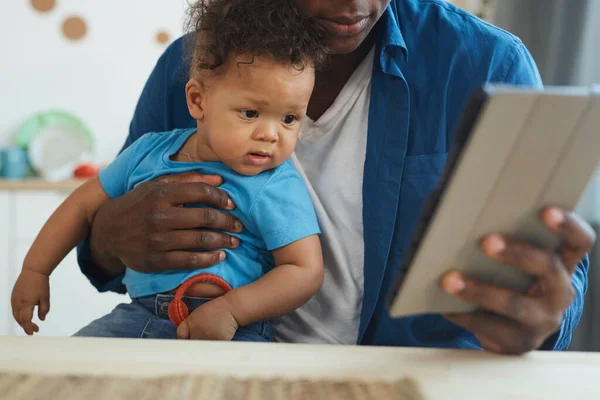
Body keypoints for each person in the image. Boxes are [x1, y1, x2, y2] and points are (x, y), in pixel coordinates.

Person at [78, 0, 595, 354]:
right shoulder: (192, 67)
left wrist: (543, 316)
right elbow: (109, 250)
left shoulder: (486, 61)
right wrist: (104, 237)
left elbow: (550, 273)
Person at [11, 0, 328, 342]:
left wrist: (232, 310)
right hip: (138, 316)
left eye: (289, 119)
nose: (270, 134)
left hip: (231, 328)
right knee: (66, 373)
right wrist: (35, 270)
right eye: (251, 113)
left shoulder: (276, 184)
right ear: (197, 101)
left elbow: (305, 271)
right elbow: (81, 204)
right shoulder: (147, 152)